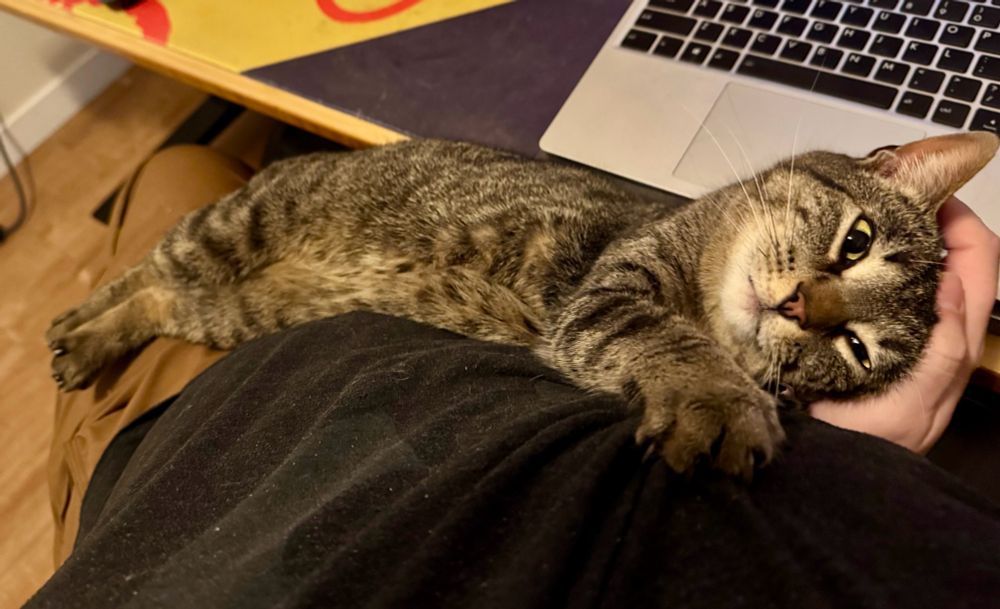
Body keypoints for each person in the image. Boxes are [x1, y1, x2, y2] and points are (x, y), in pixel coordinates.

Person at [31, 141, 1000, 609]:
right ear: (874, 169)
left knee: (199, 267)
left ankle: (153, 305)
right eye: (856, 238)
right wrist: (711, 382)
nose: (814, 305)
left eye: (854, 345)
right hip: (349, 221)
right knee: (210, 231)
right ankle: (145, 290)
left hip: (300, 368)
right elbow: (602, 309)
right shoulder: (682, 250)